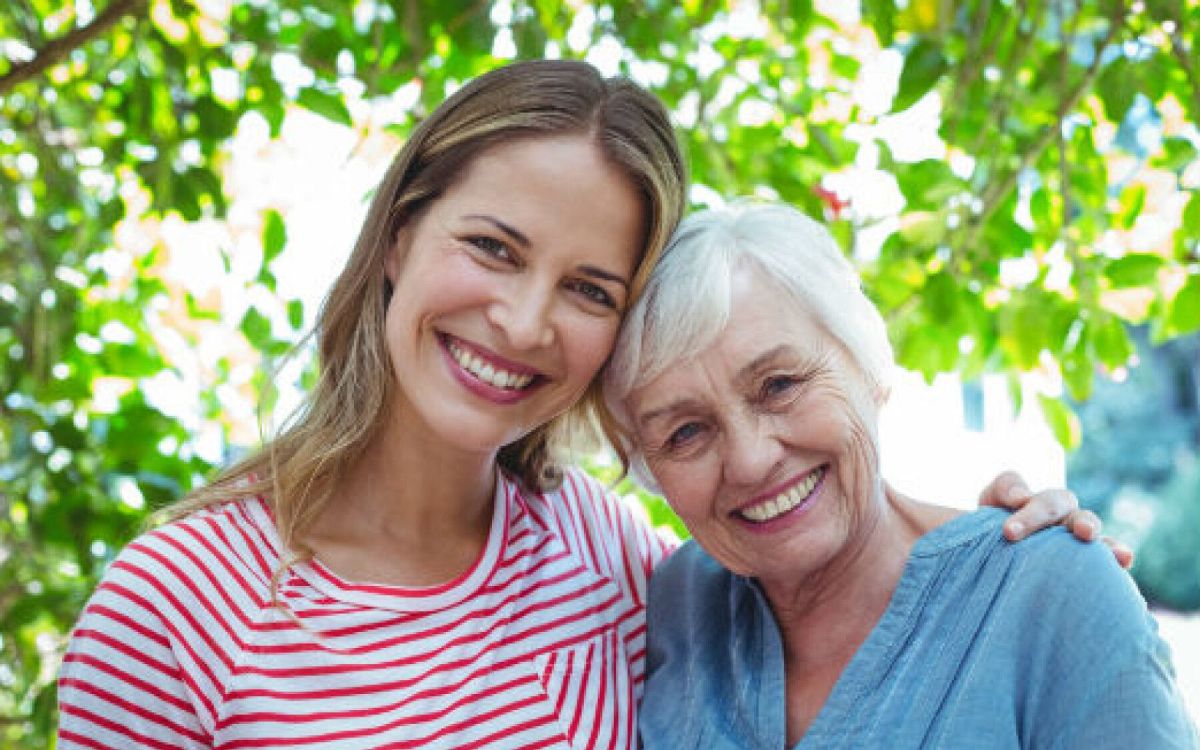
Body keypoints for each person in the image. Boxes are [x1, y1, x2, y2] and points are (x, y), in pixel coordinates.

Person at [56, 61, 1108, 749]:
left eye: (588, 290)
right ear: (396, 239)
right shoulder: (172, 607)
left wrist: (1008, 547)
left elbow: (816, 565)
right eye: (492, 248)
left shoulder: (616, 559)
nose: (521, 323)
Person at [606, 202, 1199, 749]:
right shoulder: (672, 602)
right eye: (685, 433)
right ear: (647, 467)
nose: (751, 460)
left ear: (868, 366)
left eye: (780, 385)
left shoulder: (1053, 593)